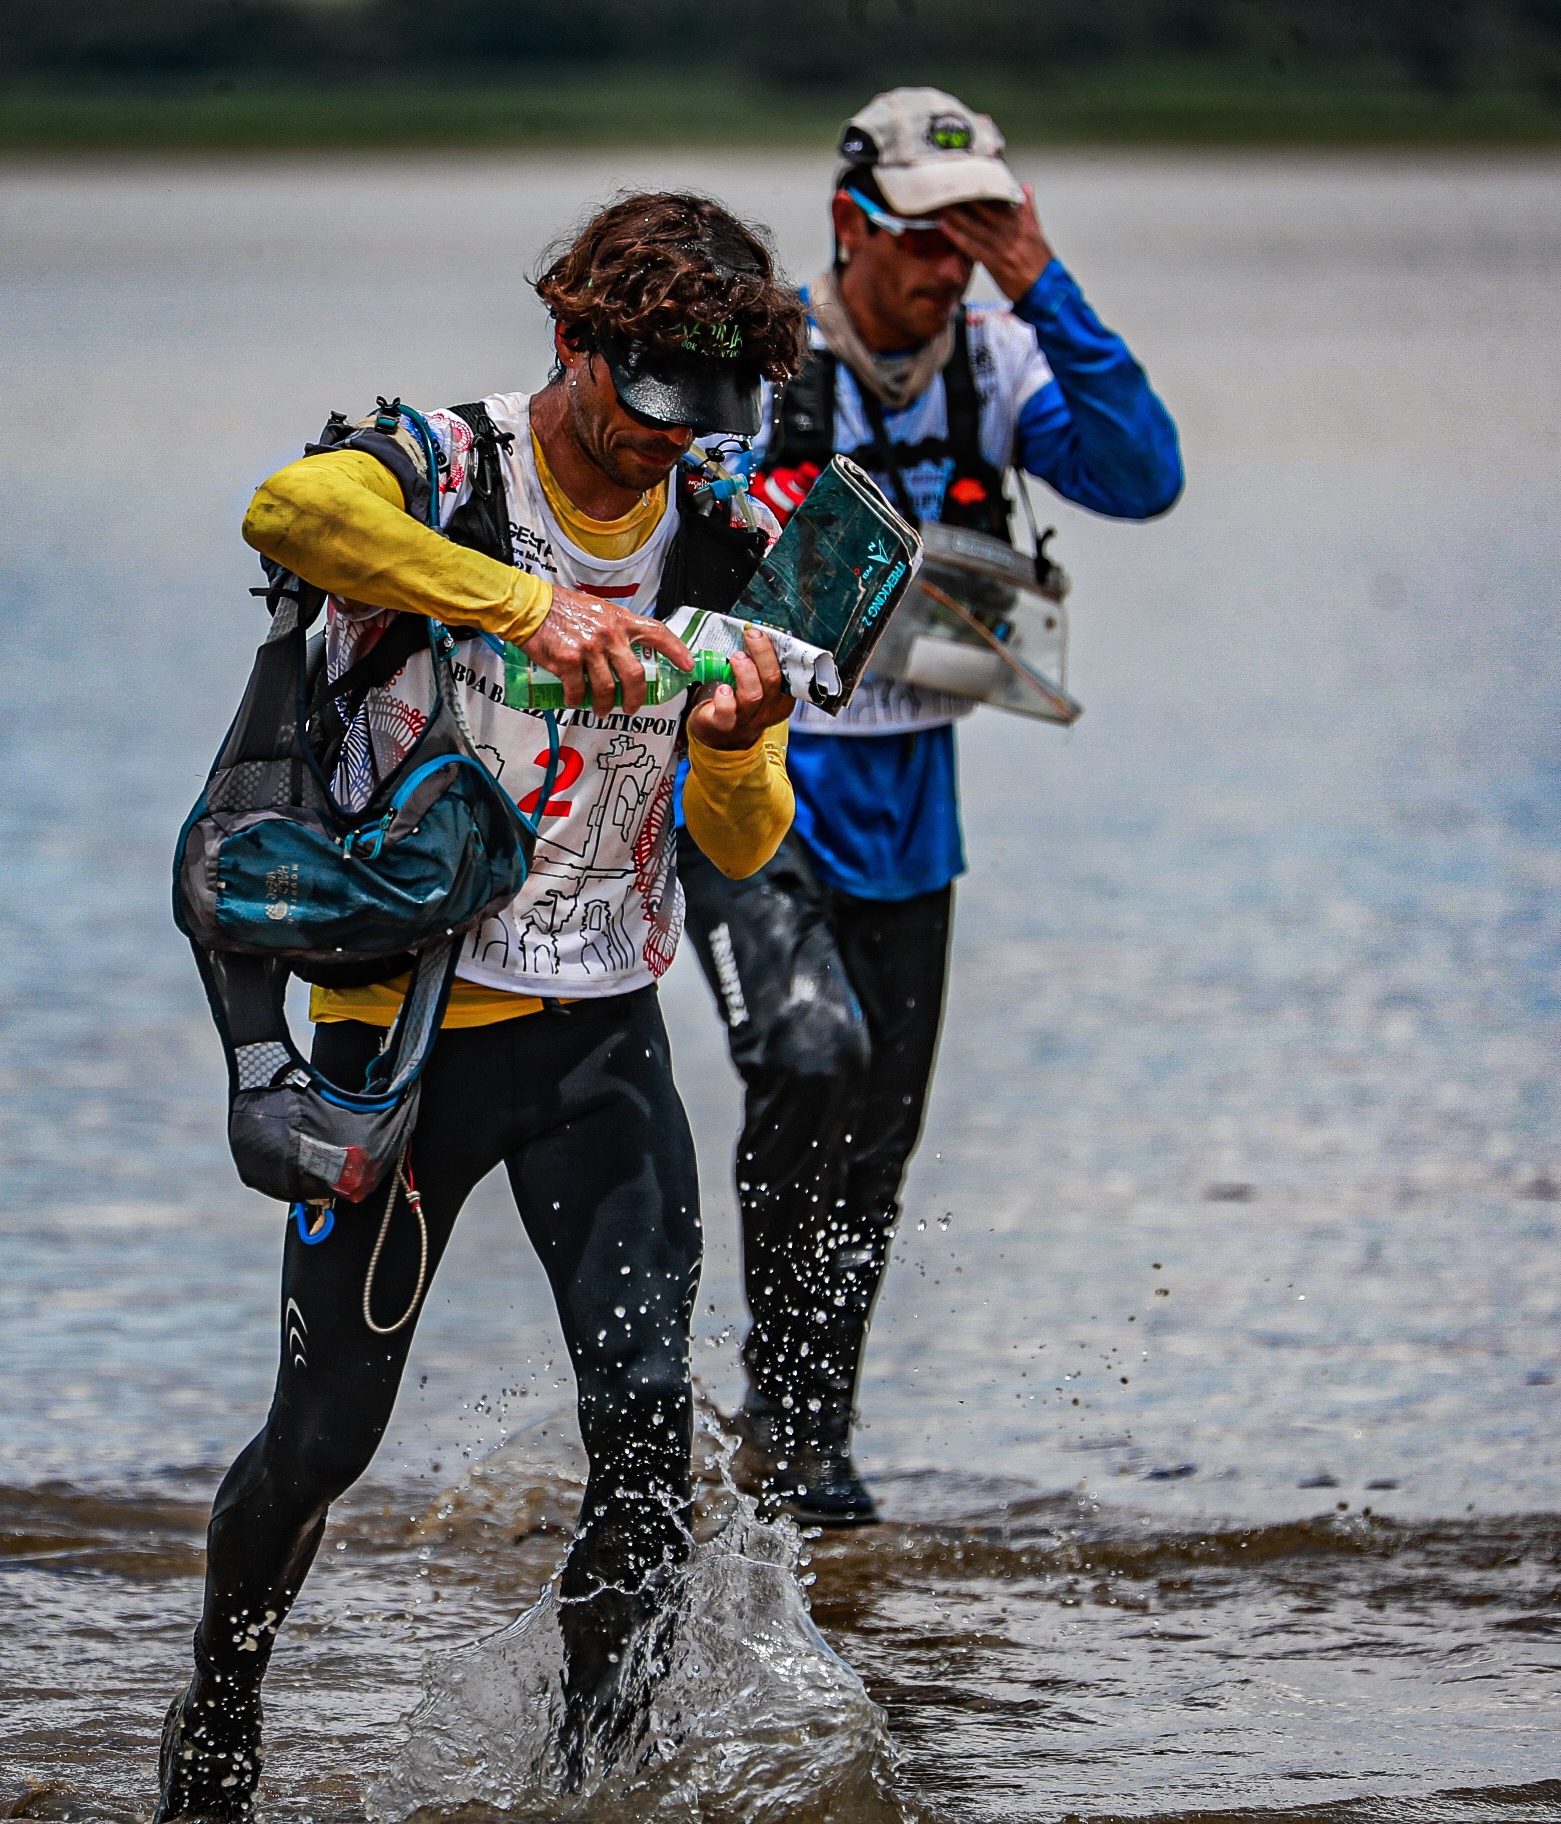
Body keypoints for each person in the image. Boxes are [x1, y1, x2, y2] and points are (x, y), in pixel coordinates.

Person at [158, 191, 807, 1822]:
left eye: (704, 413)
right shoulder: (447, 465)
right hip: (403, 1043)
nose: (669, 441)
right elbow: (287, 510)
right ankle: (218, 1715)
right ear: (572, 333)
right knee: (322, 1444)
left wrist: (737, 741)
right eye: (646, 397)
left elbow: (744, 842)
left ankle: (591, 1790)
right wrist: (530, 607)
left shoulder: (726, 529)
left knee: (648, 1451)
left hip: (603, 1041)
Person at [676, 88, 1185, 1525]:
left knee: (875, 1147)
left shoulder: (999, 356)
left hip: (913, 805)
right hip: (756, 778)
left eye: (973, 236)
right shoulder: (762, 355)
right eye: (923, 236)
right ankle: (770, 1411)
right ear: (852, 223)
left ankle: (806, 1444)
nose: (946, 265)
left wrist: (1041, 279)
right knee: (810, 1055)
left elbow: (1144, 476)